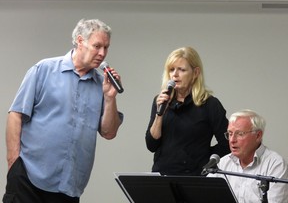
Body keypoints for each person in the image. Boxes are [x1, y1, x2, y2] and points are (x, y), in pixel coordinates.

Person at [2, 19, 123, 203]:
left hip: (69, 186)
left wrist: (110, 97)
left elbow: (109, 132)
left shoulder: (101, 85)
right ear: (80, 41)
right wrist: (13, 163)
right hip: (28, 178)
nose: (102, 53)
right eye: (97, 46)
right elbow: (16, 114)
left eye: (106, 47)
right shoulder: (44, 69)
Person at [145, 46, 230, 176]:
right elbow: (151, 145)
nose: (175, 74)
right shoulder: (160, 100)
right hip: (162, 175)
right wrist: (159, 114)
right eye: (171, 70)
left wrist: (204, 158)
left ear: (195, 73)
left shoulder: (209, 104)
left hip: (194, 177)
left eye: (182, 70)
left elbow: (227, 144)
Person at [208, 109, 288, 203]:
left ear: (258, 136)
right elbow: (205, 195)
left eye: (239, 134)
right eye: (230, 134)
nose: (232, 140)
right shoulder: (222, 163)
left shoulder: (275, 164)